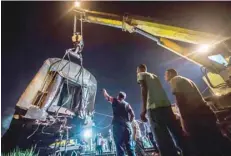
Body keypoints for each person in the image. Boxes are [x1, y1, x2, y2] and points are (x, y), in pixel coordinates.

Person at [165, 68, 231, 156]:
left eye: (165, 74)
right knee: (217, 140)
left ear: (170, 74)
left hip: (195, 115)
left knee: (201, 146)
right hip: (205, 112)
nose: (165, 77)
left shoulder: (174, 80)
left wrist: (184, 122)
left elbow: (180, 101)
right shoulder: (186, 79)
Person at [137, 64, 187, 156]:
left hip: (154, 108)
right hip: (166, 107)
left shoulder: (141, 74)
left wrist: (143, 109)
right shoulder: (155, 77)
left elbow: (144, 89)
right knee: (176, 133)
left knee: (162, 139)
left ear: (139, 70)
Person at [102, 89, 136, 156]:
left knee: (119, 145)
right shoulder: (127, 104)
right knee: (129, 146)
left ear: (118, 96)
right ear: (124, 98)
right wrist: (129, 122)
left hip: (118, 126)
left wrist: (104, 91)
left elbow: (107, 97)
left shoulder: (115, 100)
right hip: (127, 127)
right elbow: (133, 115)